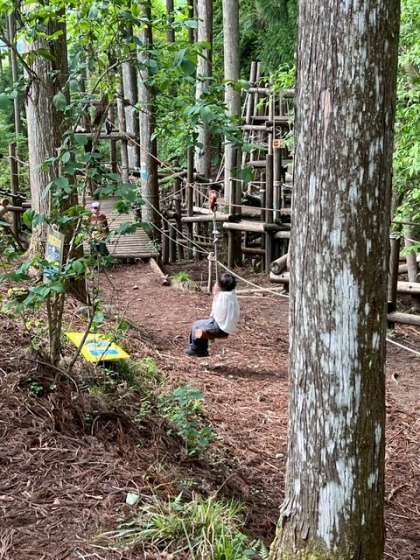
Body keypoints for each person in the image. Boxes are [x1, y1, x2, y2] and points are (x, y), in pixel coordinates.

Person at [187, 272, 240, 358]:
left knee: (196, 326)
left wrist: (215, 295)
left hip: (220, 327)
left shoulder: (222, 297)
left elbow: (217, 315)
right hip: (229, 327)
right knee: (200, 324)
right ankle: (201, 350)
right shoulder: (232, 294)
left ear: (220, 286)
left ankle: (195, 350)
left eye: (217, 283)